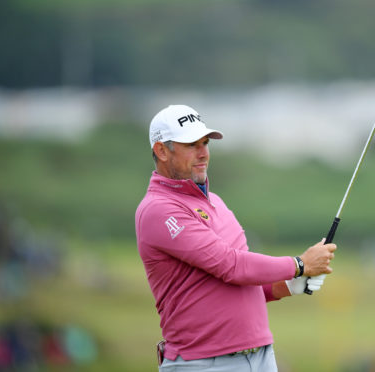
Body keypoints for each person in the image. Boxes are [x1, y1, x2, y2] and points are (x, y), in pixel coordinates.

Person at [135, 104, 337, 371]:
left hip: (261, 358)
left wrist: (290, 285)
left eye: (205, 143)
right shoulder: (158, 210)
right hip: (202, 363)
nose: (203, 153)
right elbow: (230, 265)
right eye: (191, 145)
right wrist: (299, 265)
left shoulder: (216, 203)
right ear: (161, 150)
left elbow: (242, 282)